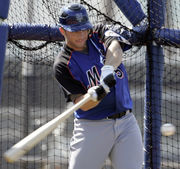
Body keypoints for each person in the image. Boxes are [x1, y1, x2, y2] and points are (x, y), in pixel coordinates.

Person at [53, 3, 143, 169]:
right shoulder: (63, 64)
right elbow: (83, 104)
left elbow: (116, 49)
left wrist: (108, 69)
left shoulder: (97, 33)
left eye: (83, 29)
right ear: (62, 31)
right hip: (92, 126)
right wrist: (99, 92)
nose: (81, 35)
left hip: (126, 122)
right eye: (74, 31)